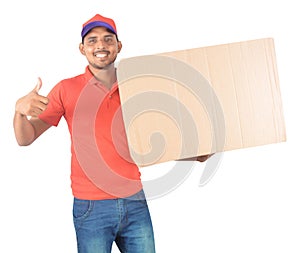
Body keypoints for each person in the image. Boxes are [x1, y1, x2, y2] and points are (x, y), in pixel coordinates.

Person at [13, 13, 212, 253]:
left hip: (135, 201)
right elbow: (26, 138)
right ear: (82, 48)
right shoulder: (66, 89)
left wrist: (195, 154)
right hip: (91, 207)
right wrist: (19, 112)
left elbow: (154, 143)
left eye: (108, 39)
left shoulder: (136, 86)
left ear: (119, 46)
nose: (100, 45)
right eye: (92, 40)